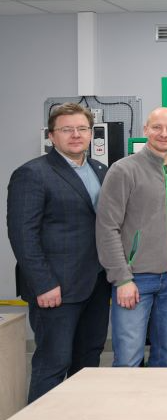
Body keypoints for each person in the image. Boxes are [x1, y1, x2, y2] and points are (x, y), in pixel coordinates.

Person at [7, 103, 110, 402]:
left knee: (88, 359)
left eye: (82, 129)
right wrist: (43, 284)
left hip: (96, 283)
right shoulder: (32, 173)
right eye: (67, 129)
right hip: (56, 288)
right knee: (53, 362)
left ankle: (79, 417)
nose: (75, 135)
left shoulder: (100, 170)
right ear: (51, 136)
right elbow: (22, 235)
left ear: (91, 133)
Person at [96, 107, 167, 367]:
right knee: (129, 358)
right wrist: (121, 279)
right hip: (135, 278)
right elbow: (107, 227)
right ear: (145, 130)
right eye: (157, 127)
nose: (164, 133)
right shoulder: (123, 170)